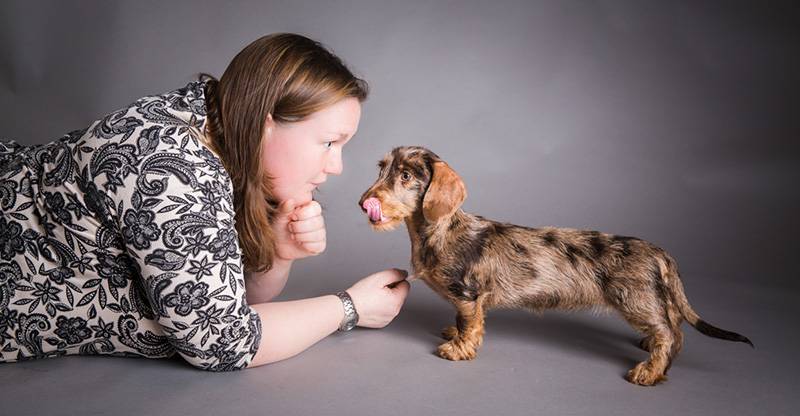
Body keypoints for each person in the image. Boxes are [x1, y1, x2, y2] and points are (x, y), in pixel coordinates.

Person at [0, 33, 410, 371]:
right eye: (329, 142)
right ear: (268, 120)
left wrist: (278, 253)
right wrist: (351, 307)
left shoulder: (214, 120)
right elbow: (222, 341)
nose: (336, 166)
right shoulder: (169, 169)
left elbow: (224, 301)